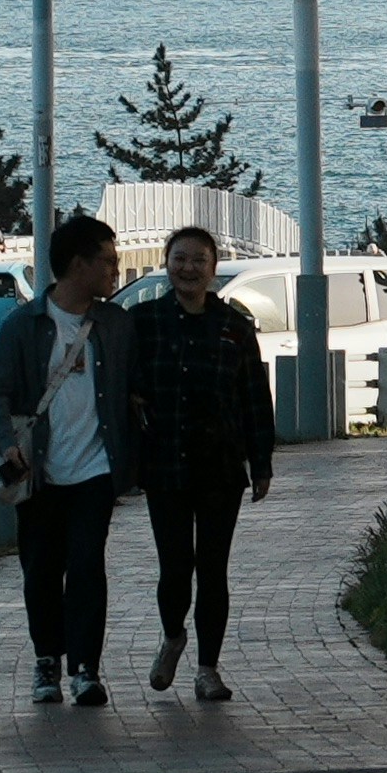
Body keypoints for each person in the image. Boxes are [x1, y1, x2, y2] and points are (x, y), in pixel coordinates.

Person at [0, 210, 138, 708]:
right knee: (42, 571)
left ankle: (86, 670)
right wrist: (5, 441)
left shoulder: (115, 324)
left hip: (95, 471)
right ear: (78, 264)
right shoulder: (25, 325)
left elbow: (136, 387)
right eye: (108, 262)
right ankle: (47, 661)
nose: (115, 271)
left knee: (88, 567)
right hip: (39, 472)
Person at [120, 223, 280, 700]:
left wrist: (262, 461)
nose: (188, 268)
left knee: (213, 568)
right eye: (179, 259)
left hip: (220, 466)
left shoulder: (234, 326)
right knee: (175, 566)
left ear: (213, 268)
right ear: (166, 264)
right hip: (165, 463)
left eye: (198, 260)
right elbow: (122, 379)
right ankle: (173, 637)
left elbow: (254, 396)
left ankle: (208, 668)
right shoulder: (142, 321)